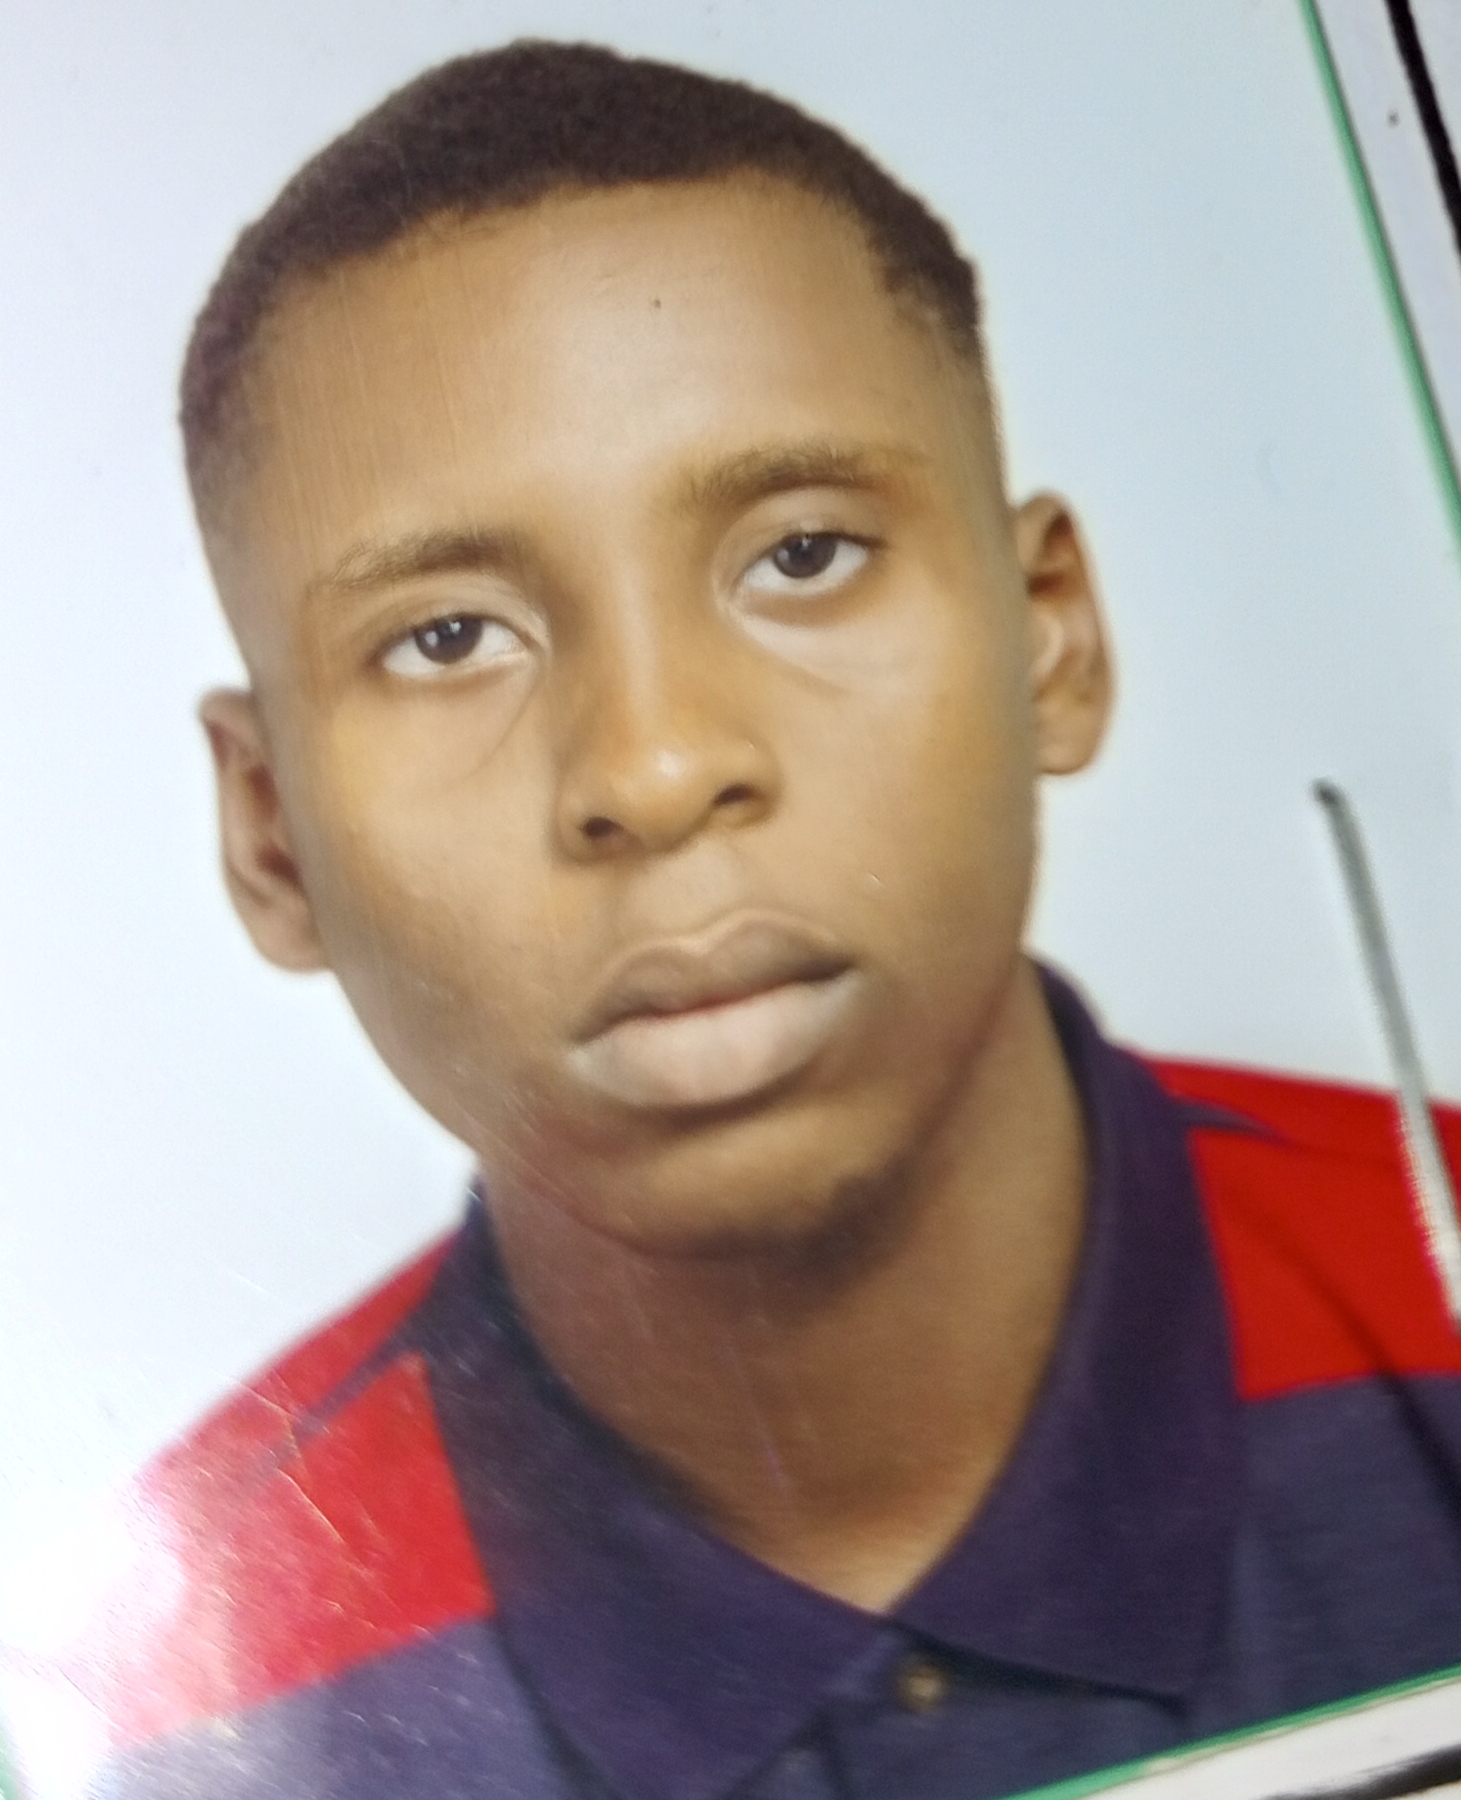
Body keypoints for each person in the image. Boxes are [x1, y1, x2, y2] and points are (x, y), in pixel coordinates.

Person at [50, 39, 1461, 1800]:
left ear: (1049, 639)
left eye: (801, 554)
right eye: (446, 638)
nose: (652, 768)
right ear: (271, 838)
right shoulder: (163, 1732)